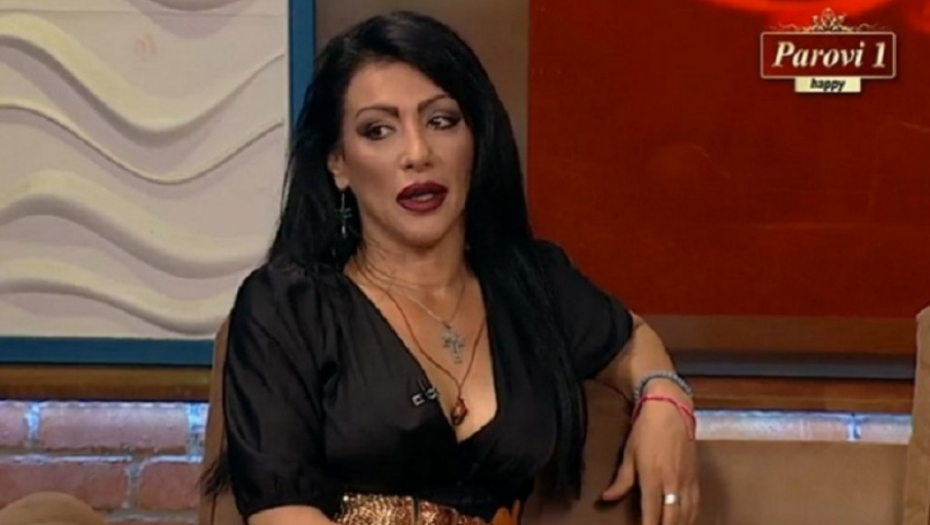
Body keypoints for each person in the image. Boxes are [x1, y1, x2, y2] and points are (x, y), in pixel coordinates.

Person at [202, 10, 699, 525]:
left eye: (441, 121)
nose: (418, 153)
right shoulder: (287, 306)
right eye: (378, 130)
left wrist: (664, 399)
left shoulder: (533, 282)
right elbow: (281, 512)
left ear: (477, 140)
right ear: (338, 164)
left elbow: (630, 341)